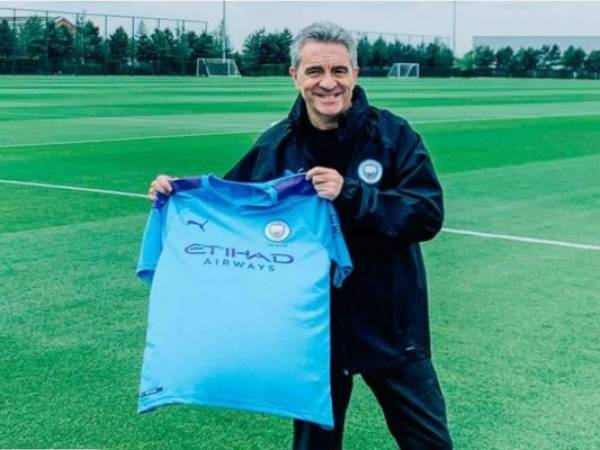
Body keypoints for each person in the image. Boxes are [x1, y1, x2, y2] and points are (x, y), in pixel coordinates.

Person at [148, 21, 452, 450]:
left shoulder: (393, 136)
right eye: (314, 72)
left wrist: (350, 193)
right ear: (295, 76)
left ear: (355, 73)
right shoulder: (277, 144)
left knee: (428, 443)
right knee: (314, 447)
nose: (328, 83)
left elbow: (426, 214)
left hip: (392, 324)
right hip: (313, 328)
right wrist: (178, 193)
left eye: (339, 71)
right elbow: (234, 205)